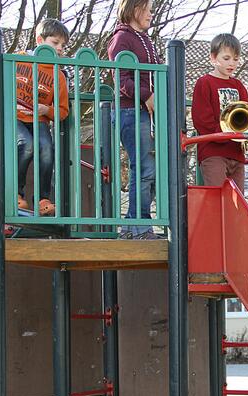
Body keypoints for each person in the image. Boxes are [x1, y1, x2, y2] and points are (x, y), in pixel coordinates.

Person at [108, 0, 160, 239]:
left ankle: (132, 227)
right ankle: (140, 227)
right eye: (148, 9)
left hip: (144, 112)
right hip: (130, 111)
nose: (151, 14)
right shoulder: (122, 39)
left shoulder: (145, 39)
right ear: (135, 9)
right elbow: (122, 80)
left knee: (149, 170)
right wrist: (147, 95)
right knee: (144, 168)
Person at [13, 18, 70, 216]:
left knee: (46, 149)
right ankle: (16, 193)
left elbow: (63, 111)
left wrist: (47, 110)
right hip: (15, 117)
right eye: (55, 43)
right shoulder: (18, 60)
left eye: (63, 45)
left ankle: (42, 199)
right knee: (26, 144)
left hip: (39, 120)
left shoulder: (58, 74)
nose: (60, 48)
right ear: (39, 40)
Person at [191, 33, 248, 193]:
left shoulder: (238, 86)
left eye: (236, 59)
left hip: (237, 153)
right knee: (218, 197)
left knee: (237, 202)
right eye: (226, 58)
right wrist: (224, 133)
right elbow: (202, 120)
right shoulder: (204, 83)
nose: (232, 63)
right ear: (213, 58)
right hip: (213, 152)